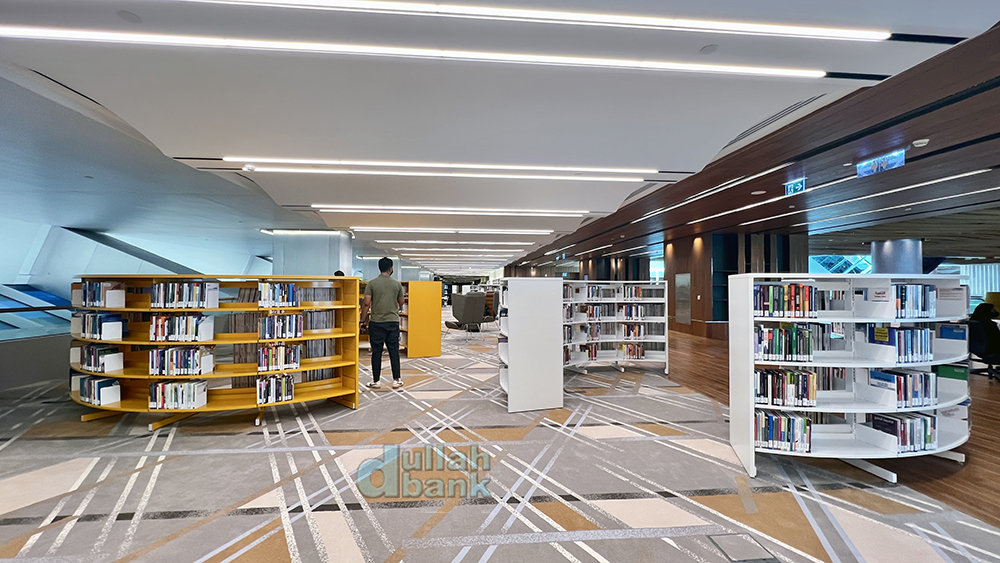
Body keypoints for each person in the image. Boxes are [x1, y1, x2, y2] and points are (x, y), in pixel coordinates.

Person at [360, 257, 404, 389]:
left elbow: (366, 303)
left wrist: (362, 321)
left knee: (376, 352)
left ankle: (376, 380)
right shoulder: (397, 284)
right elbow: (401, 301)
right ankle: (397, 379)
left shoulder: (372, 284)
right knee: (394, 351)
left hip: (376, 322)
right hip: (392, 322)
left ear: (379, 268)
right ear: (391, 268)